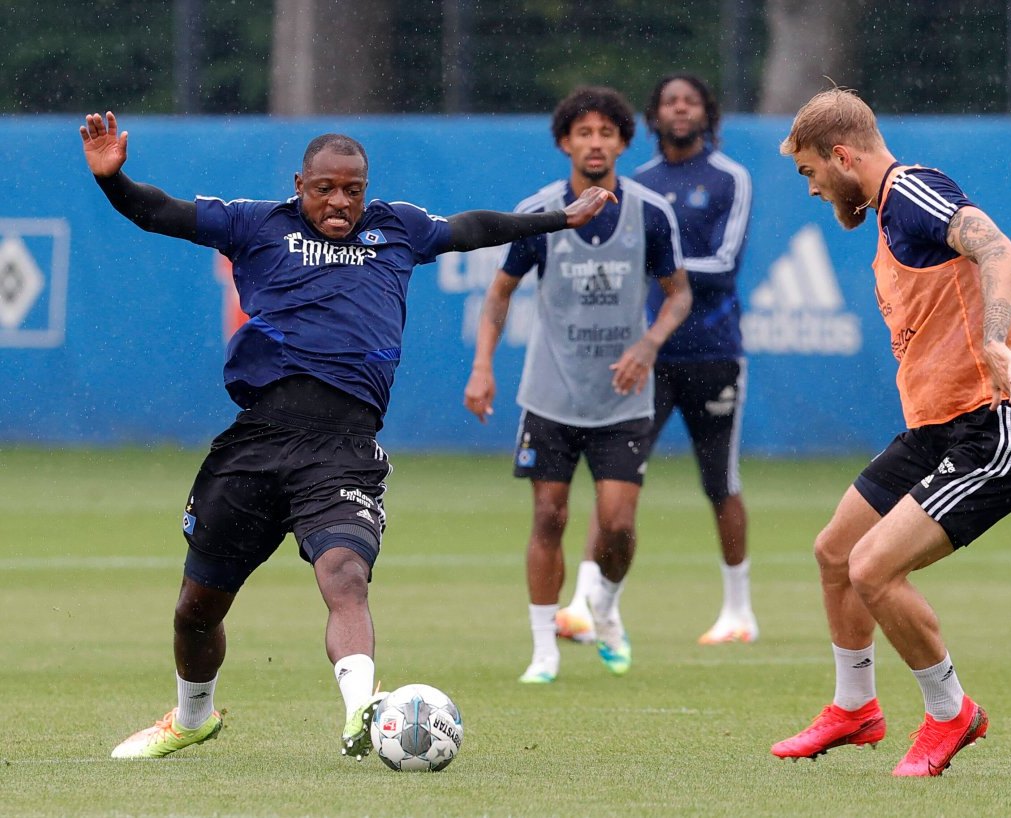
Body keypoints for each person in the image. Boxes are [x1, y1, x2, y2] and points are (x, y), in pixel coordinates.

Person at [80, 110, 615, 760]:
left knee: (344, 576)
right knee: (196, 610)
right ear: (299, 183)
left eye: (352, 190)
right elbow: (158, 212)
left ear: (367, 189)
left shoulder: (398, 229)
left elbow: (473, 228)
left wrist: (561, 218)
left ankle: (362, 708)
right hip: (255, 445)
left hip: (343, 451)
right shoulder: (256, 223)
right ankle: (193, 716)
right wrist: (115, 182)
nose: (339, 202)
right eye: (325, 188)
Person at [769, 88, 1011, 777]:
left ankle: (951, 711)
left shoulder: (911, 193)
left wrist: (995, 341)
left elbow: (1000, 251)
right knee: (836, 551)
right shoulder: (887, 215)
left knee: (874, 567)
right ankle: (855, 708)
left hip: (996, 428)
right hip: (936, 431)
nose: (811, 189)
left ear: (842, 156)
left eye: (810, 172)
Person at [462, 86, 692, 684]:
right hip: (551, 394)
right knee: (549, 516)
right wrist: (482, 367)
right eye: (583, 133)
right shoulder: (539, 213)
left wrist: (648, 344)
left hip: (621, 398)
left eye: (606, 133)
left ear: (621, 142)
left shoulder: (649, 213)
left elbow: (678, 294)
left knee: (616, 523)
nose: (595, 143)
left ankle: (605, 612)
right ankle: (544, 648)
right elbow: (500, 295)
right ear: (565, 142)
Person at [555, 73, 757, 647]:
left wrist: (661, 263)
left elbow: (723, 265)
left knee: (720, 480)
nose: (680, 109)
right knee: (615, 477)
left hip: (715, 353)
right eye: (669, 101)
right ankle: (583, 604)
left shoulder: (730, 178)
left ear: (706, 111)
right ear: (653, 115)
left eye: (690, 100)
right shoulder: (635, 182)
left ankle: (738, 611)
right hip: (646, 356)